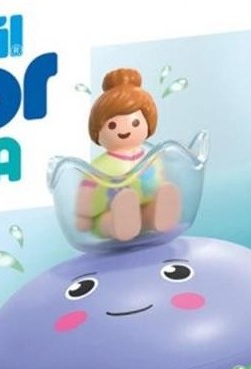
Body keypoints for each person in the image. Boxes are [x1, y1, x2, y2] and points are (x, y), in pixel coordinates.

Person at [76, 68, 181, 241]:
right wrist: (83, 217)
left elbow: (159, 178)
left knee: (150, 209)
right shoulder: (100, 166)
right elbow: (88, 188)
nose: (124, 129)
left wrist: (161, 191)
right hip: (106, 213)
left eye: (135, 123)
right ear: (97, 130)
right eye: (112, 126)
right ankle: (119, 223)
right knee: (108, 220)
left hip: (144, 206)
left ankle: (156, 214)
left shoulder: (150, 158)